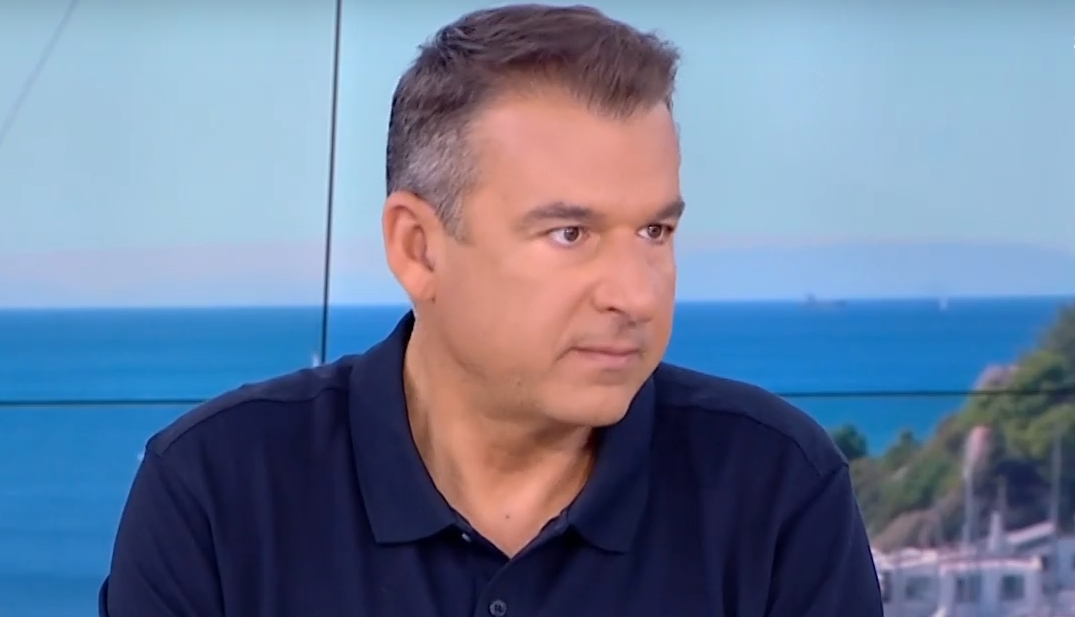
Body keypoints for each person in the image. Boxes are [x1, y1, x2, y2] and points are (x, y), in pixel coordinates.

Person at [100, 4, 883, 617]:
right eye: (569, 233)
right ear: (418, 248)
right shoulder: (215, 492)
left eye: (655, 231)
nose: (637, 293)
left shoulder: (777, 485)